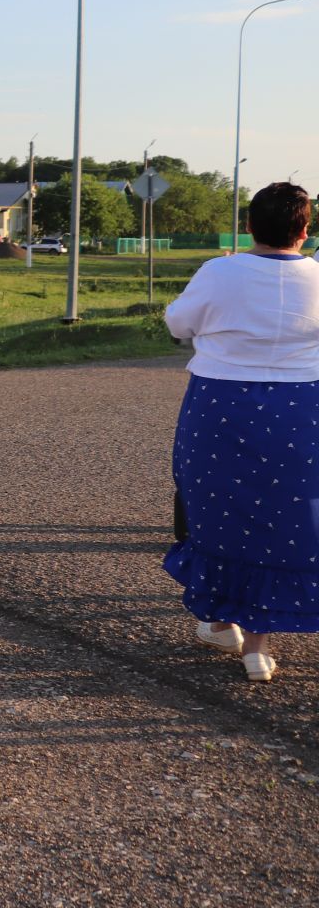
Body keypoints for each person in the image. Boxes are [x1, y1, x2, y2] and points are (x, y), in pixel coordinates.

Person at [163, 182, 319, 683]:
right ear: (305, 229)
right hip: (301, 406)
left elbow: (177, 324)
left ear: (249, 225)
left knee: (216, 509)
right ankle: (259, 646)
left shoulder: (220, 270)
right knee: (284, 518)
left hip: (222, 403)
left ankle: (221, 621)